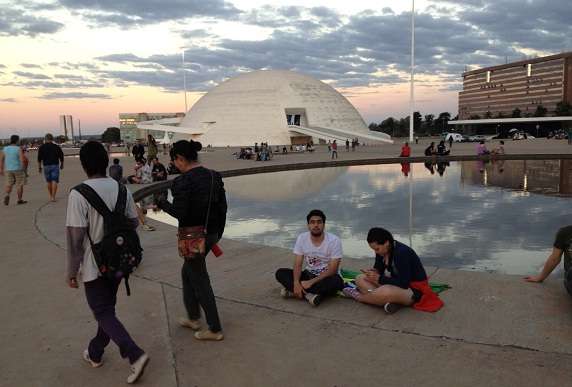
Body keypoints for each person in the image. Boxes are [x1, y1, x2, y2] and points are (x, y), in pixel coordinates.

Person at [65, 141, 149, 383]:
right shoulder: (121, 188)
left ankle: (135, 355)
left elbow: (75, 238)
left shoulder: (78, 194)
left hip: (95, 265)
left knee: (102, 311)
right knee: (107, 311)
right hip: (120, 261)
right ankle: (95, 352)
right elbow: (133, 222)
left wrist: (72, 271)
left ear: (83, 165)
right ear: (106, 160)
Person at [156, 140, 228, 341]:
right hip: (212, 233)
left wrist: (162, 203)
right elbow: (223, 208)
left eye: (174, 160)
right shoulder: (214, 176)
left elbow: (180, 213)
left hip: (194, 238)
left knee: (199, 279)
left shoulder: (182, 182)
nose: (174, 164)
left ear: (180, 158)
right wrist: (215, 235)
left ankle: (214, 328)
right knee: (188, 272)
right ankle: (193, 317)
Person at [343, 227, 443, 313]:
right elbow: (379, 270)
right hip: (397, 285)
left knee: (385, 291)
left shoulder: (401, 253)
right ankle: (385, 300)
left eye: (377, 249)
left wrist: (379, 279)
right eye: (374, 249)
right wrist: (374, 272)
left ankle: (359, 297)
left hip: (413, 289)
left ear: (386, 243)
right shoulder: (382, 251)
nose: (376, 252)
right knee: (360, 278)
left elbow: (404, 283)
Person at [275, 209, 344, 306]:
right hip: (308, 274)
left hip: (326, 277)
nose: (316, 225)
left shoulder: (334, 241)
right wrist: (296, 283)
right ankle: (309, 295)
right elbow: (298, 264)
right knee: (280, 273)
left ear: (324, 224)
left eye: (319, 222)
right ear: (308, 225)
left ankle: (294, 292)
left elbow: (333, 269)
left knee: (336, 282)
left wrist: (311, 282)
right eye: (312, 222)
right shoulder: (302, 238)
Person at [524, 226, 572, 296]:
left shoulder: (565, 232)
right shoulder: (565, 232)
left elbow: (555, 259)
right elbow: (555, 258)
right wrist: (540, 277)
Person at [37, 133, 64, 202]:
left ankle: (51, 195)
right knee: (54, 180)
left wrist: (39, 167)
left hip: (46, 166)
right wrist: (62, 164)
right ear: (52, 139)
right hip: (55, 165)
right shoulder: (56, 147)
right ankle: (53, 197)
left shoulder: (42, 147)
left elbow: (39, 159)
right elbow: (61, 156)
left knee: (48, 181)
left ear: (45, 139)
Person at [1, 135, 27, 205]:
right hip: (18, 169)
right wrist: (24, 170)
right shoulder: (18, 149)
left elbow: (2, 160)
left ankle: (7, 195)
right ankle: (19, 199)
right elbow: (22, 160)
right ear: (17, 140)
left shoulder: (5, 148)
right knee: (19, 185)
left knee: (9, 184)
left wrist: (1, 169)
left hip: (8, 169)